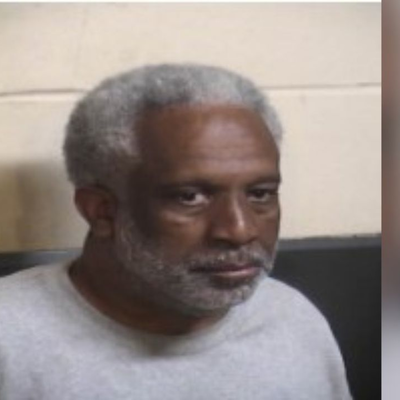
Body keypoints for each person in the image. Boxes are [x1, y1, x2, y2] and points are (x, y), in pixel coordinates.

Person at [0, 64, 352, 400]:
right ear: (102, 211)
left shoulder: (291, 318)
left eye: (260, 194)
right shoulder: (12, 340)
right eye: (190, 197)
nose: (239, 230)